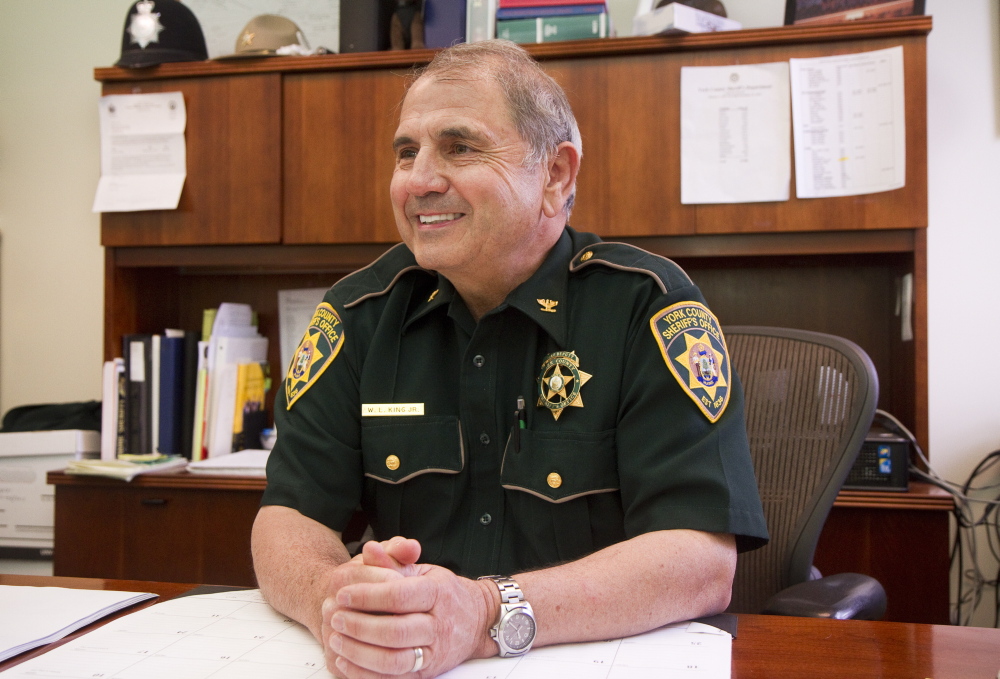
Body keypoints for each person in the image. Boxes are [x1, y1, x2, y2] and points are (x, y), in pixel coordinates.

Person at [252, 39, 768, 679]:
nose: (419, 180)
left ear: (556, 175)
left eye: (460, 147)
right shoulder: (359, 315)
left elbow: (700, 562)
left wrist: (487, 612)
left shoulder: (648, 310)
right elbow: (287, 517)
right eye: (406, 152)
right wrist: (332, 599)